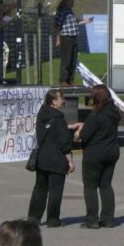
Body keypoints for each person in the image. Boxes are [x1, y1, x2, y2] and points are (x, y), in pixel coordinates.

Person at [27, 89, 79, 227]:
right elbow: (64, 143)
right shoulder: (58, 118)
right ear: (53, 101)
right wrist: (70, 161)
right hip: (56, 160)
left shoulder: (42, 114)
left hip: (42, 159)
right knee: (55, 191)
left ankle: (33, 218)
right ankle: (53, 219)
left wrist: (67, 127)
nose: (64, 100)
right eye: (61, 98)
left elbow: (50, 130)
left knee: (40, 189)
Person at [78, 84, 121, 228]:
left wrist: (79, 131)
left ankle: (92, 219)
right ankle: (107, 219)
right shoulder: (114, 112)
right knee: (106, 185)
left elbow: (85, 135)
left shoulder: (95, 115)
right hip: (111, 150)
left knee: (90, 186)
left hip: (95, 153)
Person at [54, 0, 93, 86]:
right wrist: (58, 39)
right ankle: (63, 80)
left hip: (74, 37)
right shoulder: (61, 11)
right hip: (66, 38)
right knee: (66, 61)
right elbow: (56, 25)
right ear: (68, 1)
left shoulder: (70, 11)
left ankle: (70, 80)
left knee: (73, 60)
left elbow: (74, 23)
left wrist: (86, 21)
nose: (73, 2)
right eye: (72, 0)